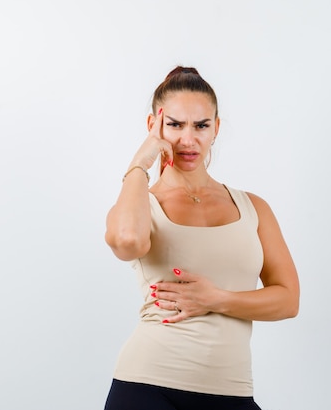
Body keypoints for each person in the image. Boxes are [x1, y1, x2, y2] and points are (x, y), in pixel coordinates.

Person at [103, 66, 300, 410]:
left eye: (201, 125)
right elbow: (127, 242)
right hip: (147, 386)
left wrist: (216, 299)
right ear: (154, 126)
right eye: (175, 124)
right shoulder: (140, 203)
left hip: (231, 390)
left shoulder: (253, 208)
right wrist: (140, 164)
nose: (188, 140)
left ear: (216, 128)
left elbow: (287, 301)